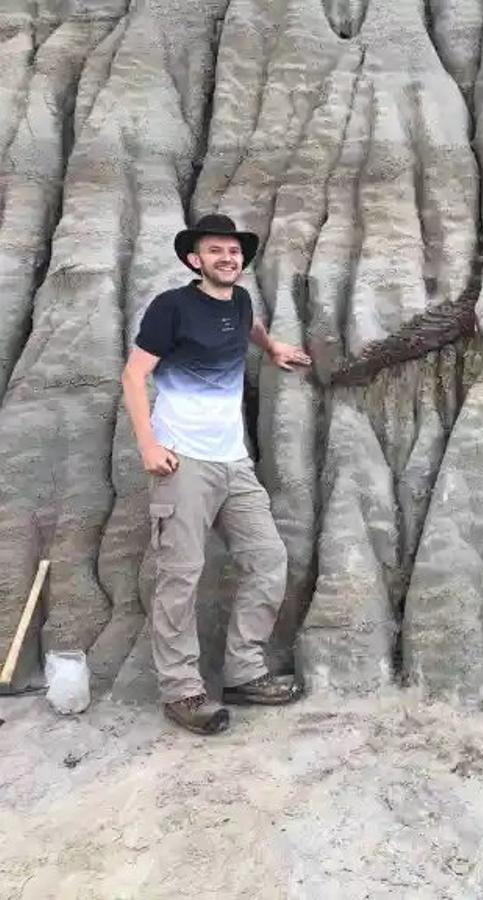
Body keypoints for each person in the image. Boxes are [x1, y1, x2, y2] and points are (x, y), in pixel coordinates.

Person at [121, 213, 312, 735]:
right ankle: (181, 690)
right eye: (215, 250)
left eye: (233, 251)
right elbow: (134, 375)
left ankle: (244, 672)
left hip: (234, 461)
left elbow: (249, 327)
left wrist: (272, 347)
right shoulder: (172, 307)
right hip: (182, 461)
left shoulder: (242, 301)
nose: (227, 258)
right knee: (179, 576)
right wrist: (149, 445)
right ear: (194, 259)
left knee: (267, 559)